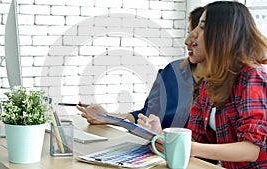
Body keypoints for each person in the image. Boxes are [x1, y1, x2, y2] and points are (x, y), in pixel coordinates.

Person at [140, 1, 267, 168]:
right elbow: (197, 139)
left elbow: (252, 149)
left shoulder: (252, 76)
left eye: (202, 27)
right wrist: (161, 135)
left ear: (223, 34)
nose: (192, 36)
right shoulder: (210, 81)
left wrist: (193, 148)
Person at [76, 7, 206, 129]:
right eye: (189, 33)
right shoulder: (173, 71)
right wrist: (107, 117)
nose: (188, 42)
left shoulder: (220, 87)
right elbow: (145, 114)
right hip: (157, 147)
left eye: (196, 35)